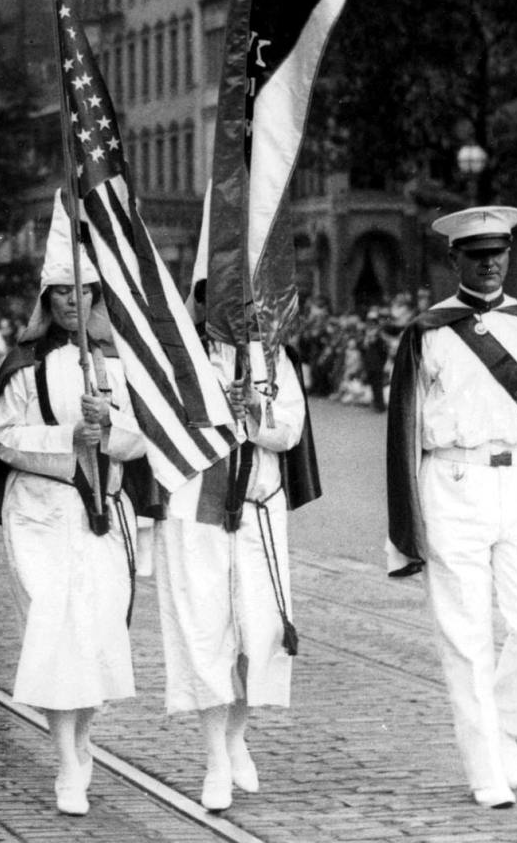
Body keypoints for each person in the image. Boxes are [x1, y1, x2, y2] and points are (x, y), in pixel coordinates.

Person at [0, 193, 166, 816]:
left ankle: (86, 733)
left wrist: (112, 431)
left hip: (102, 510)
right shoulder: (26, 364)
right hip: (43, 511)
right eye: (62, 294)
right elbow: (3, 437)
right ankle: (66, 760)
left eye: (85, 294)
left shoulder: (116, 363)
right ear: (47, 301)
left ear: (98, 299)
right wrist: (65, 438)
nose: (74, 304)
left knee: (97, 629)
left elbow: (142, 438)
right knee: (53, 625)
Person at [386, 206, 517, 809]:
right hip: (452, 482)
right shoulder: (429, 334)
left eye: (497, 252)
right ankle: (484, 767)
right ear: (455, 261)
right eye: (476, 255)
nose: (489, 263)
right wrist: (407, 526)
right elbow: (404, 430)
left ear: (509, 254)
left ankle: (501, 721)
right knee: (465, 633)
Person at [144, 281, 317, 814]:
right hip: (196, 510)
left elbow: (288, 431)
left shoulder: (274, 358)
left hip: (257, 509)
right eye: (223, 304)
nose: (237, 316)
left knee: (258, 632)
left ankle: (238, 733)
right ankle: (216, 758)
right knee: (207, 633)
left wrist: (253, 414)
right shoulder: (178, 358)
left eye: (244, 306)